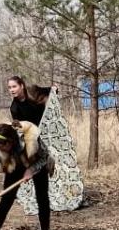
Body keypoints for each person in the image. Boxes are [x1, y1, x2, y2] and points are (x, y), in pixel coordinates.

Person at [13, 83, 85, 214]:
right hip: (34, 141)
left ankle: (50, 189)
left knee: (50, 165)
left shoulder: (35, 94)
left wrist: (53, 90)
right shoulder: (19, 107)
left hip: (45, 139)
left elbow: (52, 91)